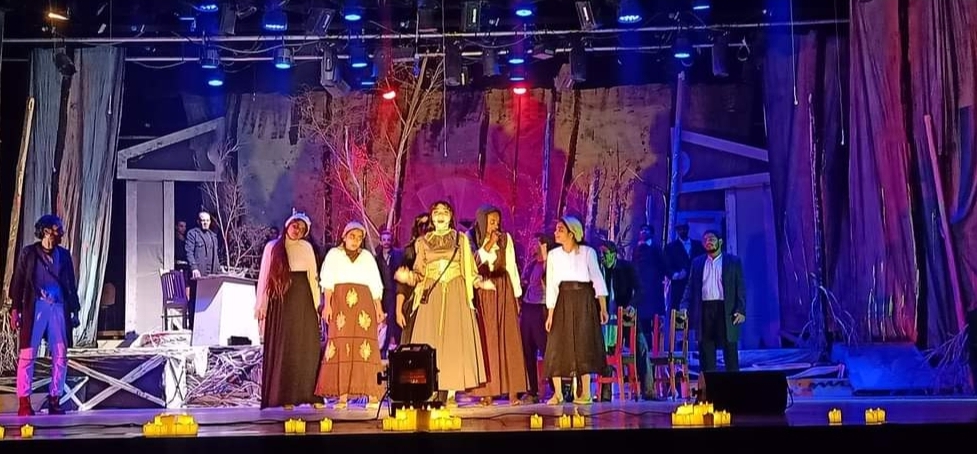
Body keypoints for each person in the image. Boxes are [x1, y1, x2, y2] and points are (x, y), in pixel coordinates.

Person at [395, 201, 485, 407]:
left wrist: (479, 282)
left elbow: (470, 270)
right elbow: (419, 272)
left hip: (455, 291)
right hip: (432, 294)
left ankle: (451, 391)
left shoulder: (460, 239)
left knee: (454, 341)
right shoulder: (423, 242)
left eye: (445, 212)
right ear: (432, 217)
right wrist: (408, 277)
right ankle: (430, 387)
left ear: (451, 216)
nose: (441, 215)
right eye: (436, 212)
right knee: (430, 340)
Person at [9, 214, 80, 416]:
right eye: (57, 230)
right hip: (36, 307)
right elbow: (18, 281)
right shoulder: (29, 253)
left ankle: (55, 398)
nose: (60, 234)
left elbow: (70, 284)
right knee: (28, 354)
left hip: (58, 307)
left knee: (60, 354)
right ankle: (24, 401)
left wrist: (74, 310)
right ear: (46, 231)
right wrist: (15, 309)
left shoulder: (64, 255)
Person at [315, 221, 386, 409]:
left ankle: (372, 395)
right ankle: (342, 397)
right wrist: (327, 305)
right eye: (352, 236)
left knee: (366, 347)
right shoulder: (334, 255)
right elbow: (327, 282)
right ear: (344, 237)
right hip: (341, 305)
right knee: (341, 346)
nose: (355, 240)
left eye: (359, 238)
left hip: (364, 305)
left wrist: (379, 309)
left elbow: (375, 284)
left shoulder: (367, 257)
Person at [254, 212, 321, 409]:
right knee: (285, 348)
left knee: (305, 347)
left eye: (302, 229)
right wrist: (261, 304)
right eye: (295, 226)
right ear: (288, 225)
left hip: (302, 301)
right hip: (281, 301)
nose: (297, 230)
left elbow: (313, 278)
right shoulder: (273, 247)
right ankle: (284, 396)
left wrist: (317, 306)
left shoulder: (306, 248)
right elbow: (265, 277)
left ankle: (308, 394)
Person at [543, 216, 609, 405]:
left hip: (584, 301)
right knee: (556, 345)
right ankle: (558, 393)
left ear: (572, 233)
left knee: (583, 345)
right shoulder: (554, 255)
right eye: (556, 229)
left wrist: (603, 308)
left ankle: (586, 393)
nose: (556, 233)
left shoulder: (588, 253)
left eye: (560, 230)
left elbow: (597, 279)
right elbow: (552, 286)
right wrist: (550, 314)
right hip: (562, 300)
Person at [468, 205, 526, 406]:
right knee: (488, 340)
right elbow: (472, 265)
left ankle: (513, 392)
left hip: (503, 290)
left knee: (508, 339)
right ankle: (488, 392)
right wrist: (488, 244)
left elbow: (511, 267)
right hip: (484, 291)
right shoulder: (472, 240)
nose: (495, 226)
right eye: (491, 222)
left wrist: (517, 297)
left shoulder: (505, 239)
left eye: (497, 222)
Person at [681, 230, 746, 372]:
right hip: (704, 310)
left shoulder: (733, 261)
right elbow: (690, 287)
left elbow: (740, 287)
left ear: (720, 241)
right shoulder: (697, 262)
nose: (708, 242)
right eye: (705, 240)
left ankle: (734, 385)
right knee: (706, 352)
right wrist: (684, 306)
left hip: (726, 310)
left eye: (711, 239)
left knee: (730, 351)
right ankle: (709, 384)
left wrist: (741, 310)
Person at [519, 232, 556, 403]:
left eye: (536, 243)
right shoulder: (533, 264)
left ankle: (556, 389)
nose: (533, 246)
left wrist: (546, 257)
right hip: (528, 307)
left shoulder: (551, 264)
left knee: (545, 349)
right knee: (528, 350)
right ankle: (532, 390)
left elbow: (550, 284)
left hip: (541, 308)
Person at [395, 213, 432, 344]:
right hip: (416, 301)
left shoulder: (438, 249)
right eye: (421, 225)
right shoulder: (410, 251)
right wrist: (398, 310)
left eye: (428, 225)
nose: (425, 229)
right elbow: (402, 285)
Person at [185, 210, 222, 329]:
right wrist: (194, 268)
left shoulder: (213, 236)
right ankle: (193, 327)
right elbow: (189, 252)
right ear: (198, 221)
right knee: (195, 300)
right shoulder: (193, 234)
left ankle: (207, 326)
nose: (205, 223)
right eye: (203, 221)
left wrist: (219, 272)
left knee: (209, 301)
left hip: (211, 275)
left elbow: (215, 256)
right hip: (198, 275)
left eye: (207, 221)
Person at [375, 229, 404, 356]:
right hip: (384, 293)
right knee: (386, 320)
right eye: (384, 240)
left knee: (393, 318)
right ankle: (386, 346)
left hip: (395, 291)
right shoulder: (377, 258)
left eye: (388, 239)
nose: (386, 242)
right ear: (380, 242)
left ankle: (389, 346)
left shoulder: (397, 255)